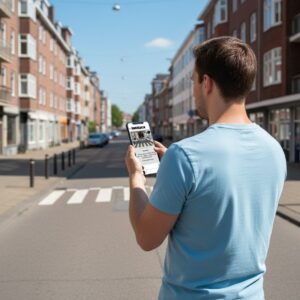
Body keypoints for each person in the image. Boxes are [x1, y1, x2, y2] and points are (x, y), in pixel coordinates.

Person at [125, 37, 287, 299]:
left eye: (193, 82)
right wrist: (179, 168)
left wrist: (136, 178)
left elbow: (146, 237)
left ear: (207, 83)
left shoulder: (186, 156)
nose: (194, 91)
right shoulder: (274, 149)